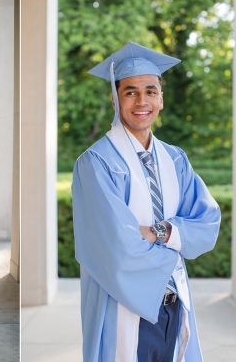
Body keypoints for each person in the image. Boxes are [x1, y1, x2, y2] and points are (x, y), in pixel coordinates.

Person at [72, 42, 220, 362]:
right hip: (125, 310)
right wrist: (178, 243)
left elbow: (207, 224)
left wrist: (159, 232)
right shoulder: (96, 163)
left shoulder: (175, 159)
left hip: (175, 307)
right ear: (115, 98)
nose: (142, 101)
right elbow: (117, 249)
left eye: (150, 91)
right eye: (130, 92)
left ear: (161, 99)